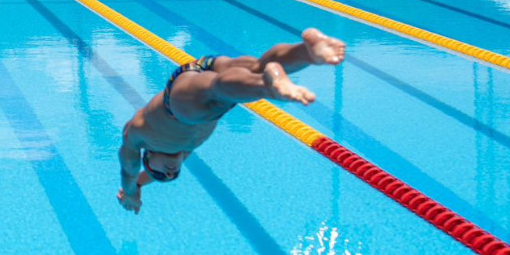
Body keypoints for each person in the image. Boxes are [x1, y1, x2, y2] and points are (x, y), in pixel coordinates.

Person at [117, 28, 346, 214]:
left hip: (178, 102)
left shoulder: (138, 135)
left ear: (148, 158)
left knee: (216, 93)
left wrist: (130, 192)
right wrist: (140, 185)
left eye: (160, 174)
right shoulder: (183, 150)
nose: (169, 173)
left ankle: (268, 86)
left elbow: (130, 172)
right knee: (256, 67)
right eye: (173, 175)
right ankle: (309, 51)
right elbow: (144, 177)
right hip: (208, 72)